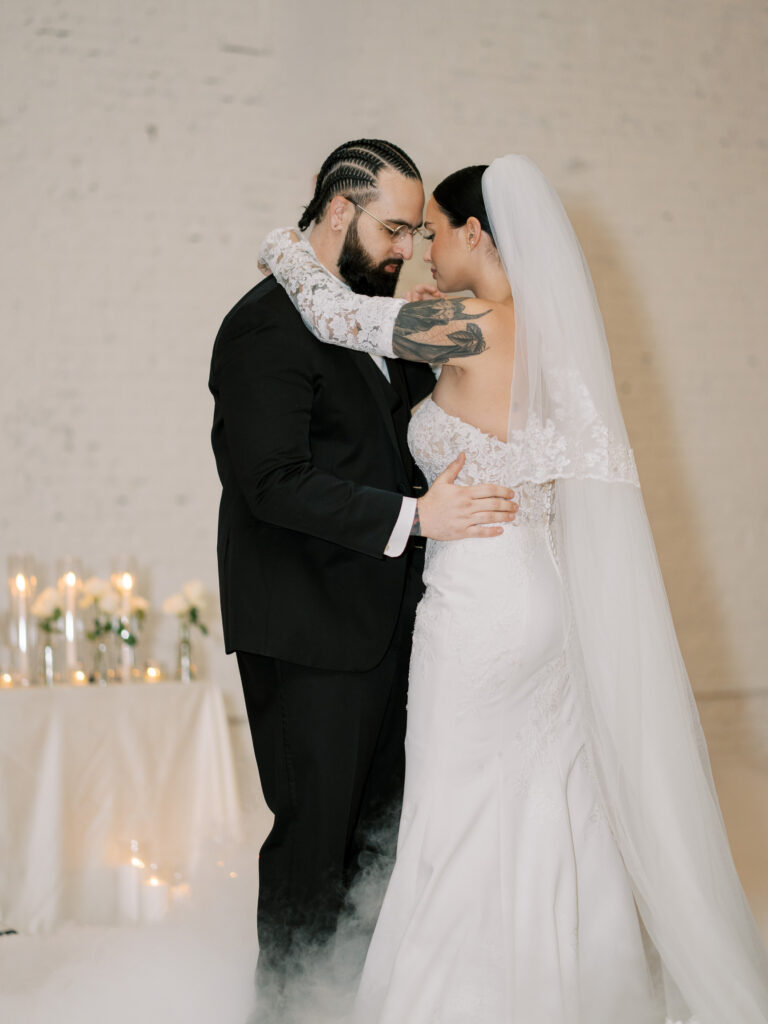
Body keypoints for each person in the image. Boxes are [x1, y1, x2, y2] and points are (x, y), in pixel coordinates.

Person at [259, 155, 768, 1023]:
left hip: (483, 602)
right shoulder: (543, 334)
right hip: (546, 591)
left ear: (476, 233)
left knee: (457, 809)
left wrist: (284, 246)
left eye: (436, 234)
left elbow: (337, 315)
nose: (424, 252)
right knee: (548, 802)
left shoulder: (475, 326)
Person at [208, 139, 517, 1012]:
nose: (407, 250)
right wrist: (415, 519)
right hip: (309, 625)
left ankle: (360, 1001)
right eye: (394, 230)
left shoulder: (378, 316)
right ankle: (289, 1010)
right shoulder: (264, 326)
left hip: (396, 622)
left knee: (380, 842)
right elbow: (270, 480)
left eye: (420, 232)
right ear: (339, 209)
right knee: (314, 844)